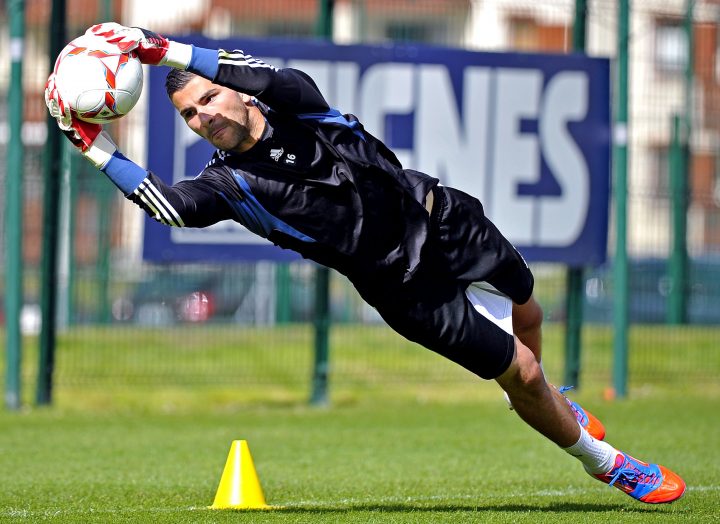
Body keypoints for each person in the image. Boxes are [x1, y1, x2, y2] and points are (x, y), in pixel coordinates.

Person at [45, 22, 685, 504]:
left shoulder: (299, 104)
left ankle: (553, 396)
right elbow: (170, 209)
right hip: (402, 291)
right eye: (189, 115)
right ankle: (607, 462)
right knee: (516, 373)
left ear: (235, 93)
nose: (203, 115)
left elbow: (263, 73)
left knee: (529, 305)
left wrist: (159, 47)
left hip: (439, 215)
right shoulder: (226, 185)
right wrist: (91, 142)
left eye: (210, 98)